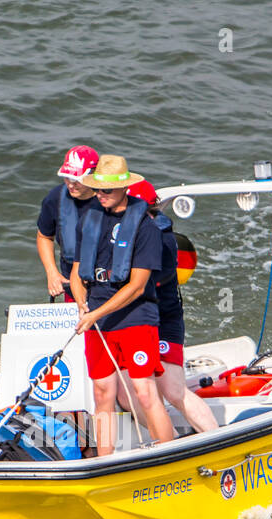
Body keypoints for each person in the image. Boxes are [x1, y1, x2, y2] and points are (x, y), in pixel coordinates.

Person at [68, 155, 177, 457]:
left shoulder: (146, 229)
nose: (101, 196)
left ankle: (168, 454)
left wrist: (95, 314)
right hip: (97, 318)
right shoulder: (88, 220)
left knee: (143, 391)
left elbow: (137, 286)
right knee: (103, 392)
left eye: (107, 191)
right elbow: (77, 272)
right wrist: (81, 304)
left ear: (124, 189)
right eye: (98, 190)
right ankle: (104, 461)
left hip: (135, 317)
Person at [127, 179, 219, 434]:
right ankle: (174, 441)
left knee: (173, 390)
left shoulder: (162, 240)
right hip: (135, 322)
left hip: (163, 321)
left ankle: (215, 440)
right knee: (127, 397)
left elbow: (144, 282)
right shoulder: (128, 233)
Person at [36, 146, 99, 302]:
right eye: (66, 177)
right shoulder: (55, 198)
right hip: (71, 281)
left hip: (106, 282)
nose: (71, 184)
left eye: (76, 179)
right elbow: (44, 236)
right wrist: (52, 273)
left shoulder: (110, 199)